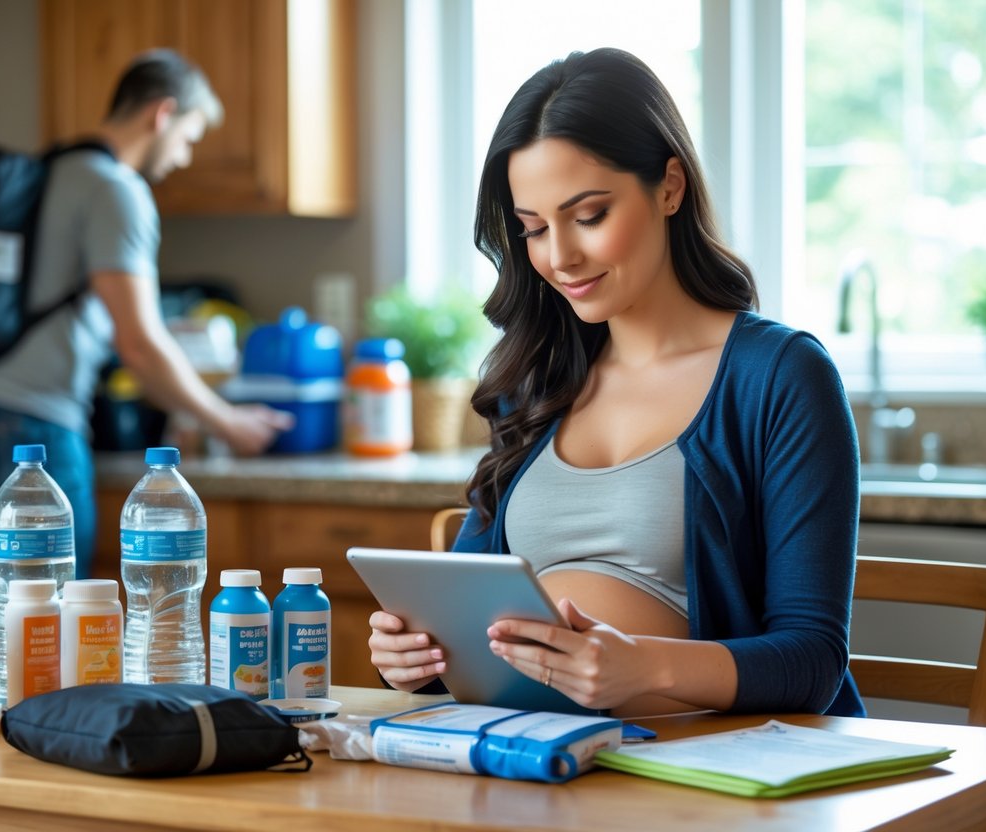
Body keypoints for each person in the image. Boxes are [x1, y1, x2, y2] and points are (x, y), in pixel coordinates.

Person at [368, 47, 863, 718]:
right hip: (535, 760)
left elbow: (812, 662)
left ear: (668, 186)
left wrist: (643, 668)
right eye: (533, 229)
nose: (559, 256)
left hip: (708, 775)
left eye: (589, 215)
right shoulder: (537, 379)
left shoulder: (778, 376)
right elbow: (471, 621)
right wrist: (416, 660)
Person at [0, 49, 293, 628]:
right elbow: (140, 345)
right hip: (35, 434)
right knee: (44, 637)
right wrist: (228, 422)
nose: (182, 158)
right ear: (162, 114)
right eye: (188, 136)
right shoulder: (115, 189)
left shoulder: (52, 171)